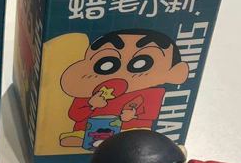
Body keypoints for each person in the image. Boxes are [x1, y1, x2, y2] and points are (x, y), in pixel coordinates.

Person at [59, 28, 189, 148]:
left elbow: (152, 113)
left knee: (139, 138)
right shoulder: (87, 93)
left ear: (175, 71)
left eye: (142, 63)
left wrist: (133, 115)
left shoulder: (151, 92)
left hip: (129, 131)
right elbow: (74, 115)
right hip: (89, 131)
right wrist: (91, 105)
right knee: (72, 139)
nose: (121, 72)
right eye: (106, 64)